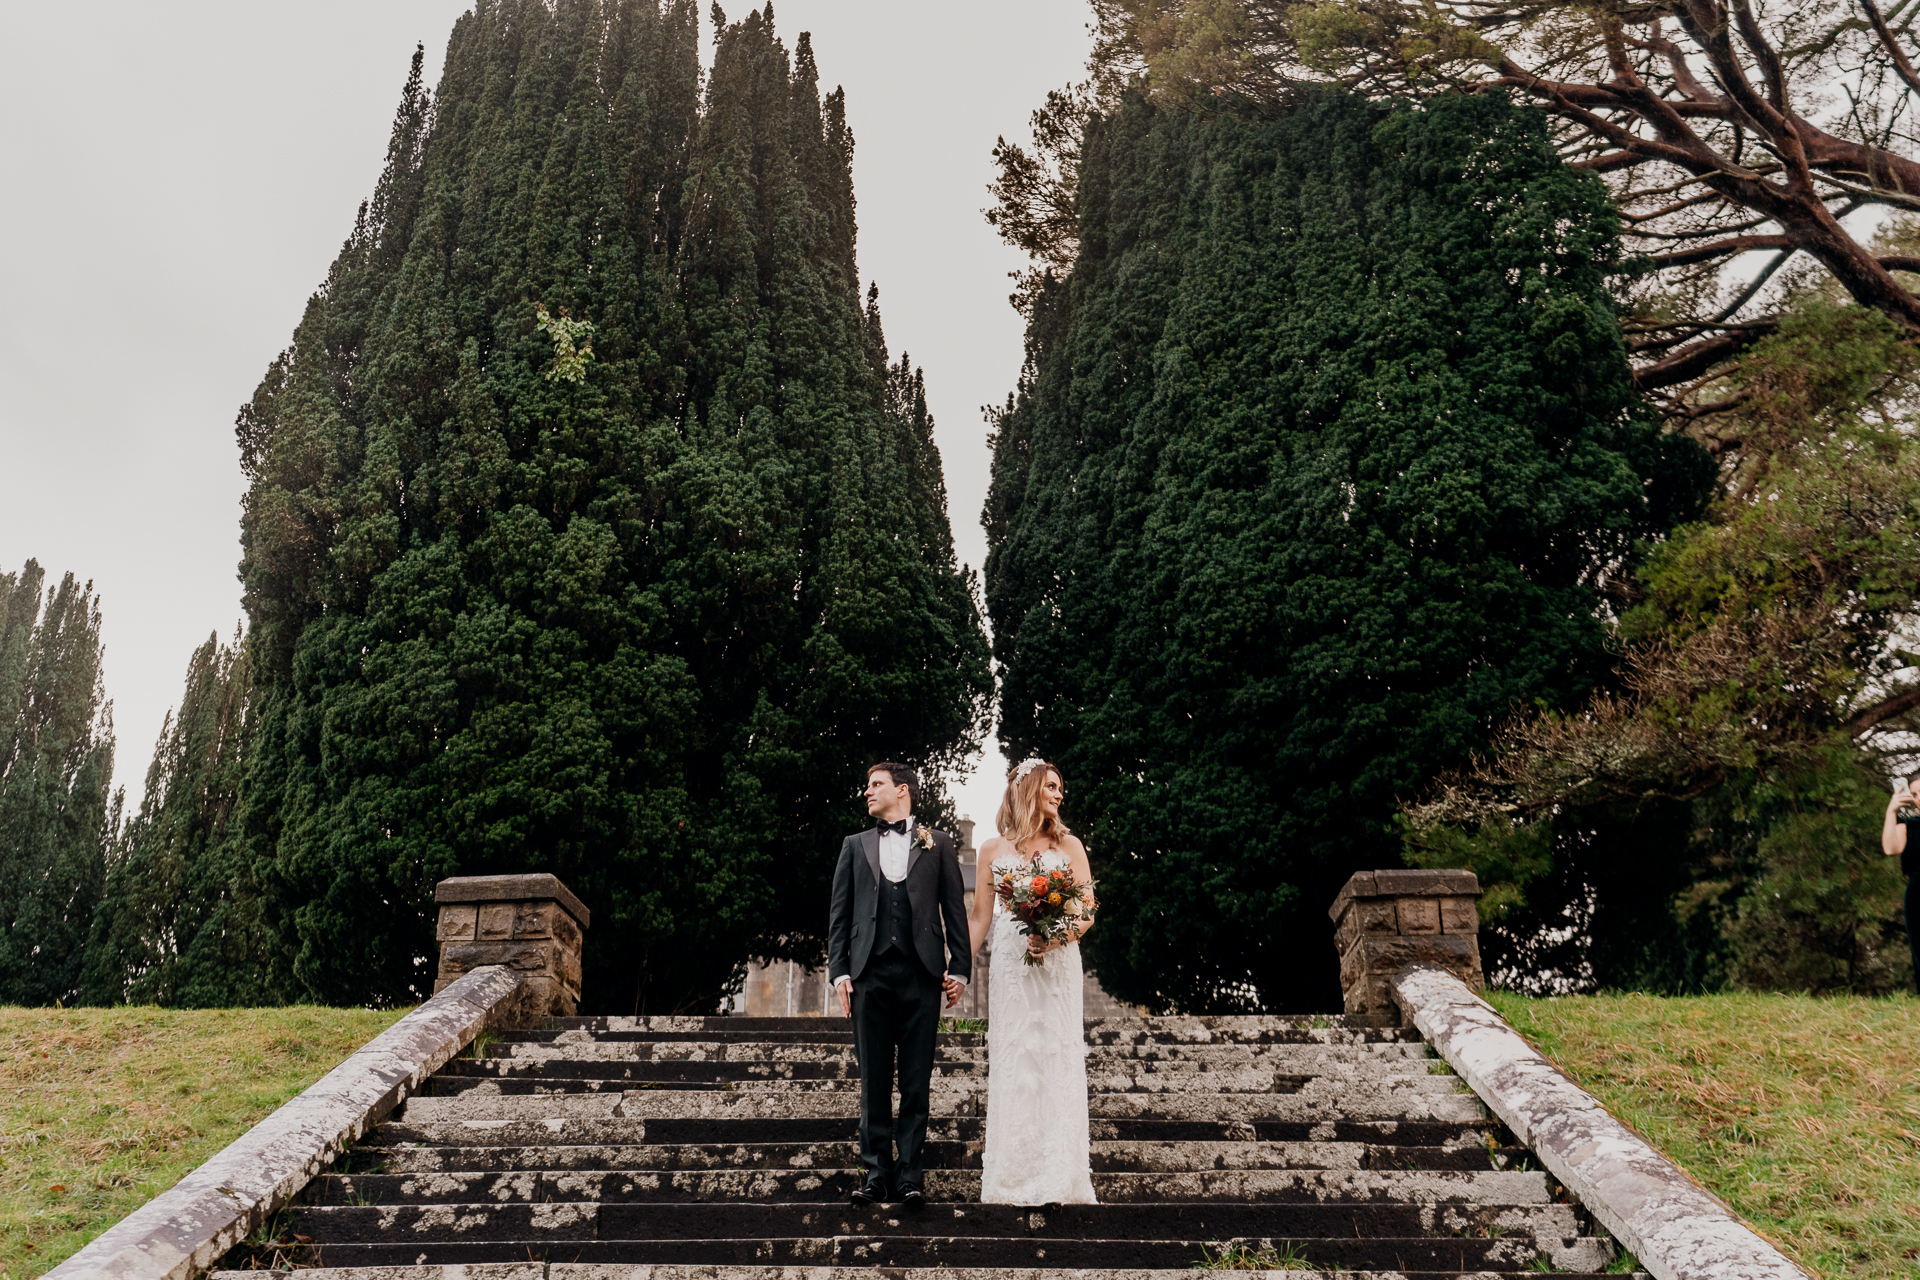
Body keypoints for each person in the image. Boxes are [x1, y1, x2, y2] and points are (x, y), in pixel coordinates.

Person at [826, 762, 970, 1209]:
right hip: (868, 973)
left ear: (901, 790)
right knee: (872, 1077)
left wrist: (960, 969)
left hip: (923, 974)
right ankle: (875, 1174)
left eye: (876, 784)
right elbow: (840, 914)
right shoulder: (854, 845)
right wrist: (839, 971)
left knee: (915, 1079)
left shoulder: (939, 844)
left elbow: (954, 910)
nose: (867, 792)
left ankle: (909, 1174)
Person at [967, 757, 1098, 1205]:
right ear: (1029, 790)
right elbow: (980, 919)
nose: (1060, 795)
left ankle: (1061, 1176)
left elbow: (1087, 910)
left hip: (1058, 965)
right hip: (1010, 964)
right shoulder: (991, 850)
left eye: (1061, 789)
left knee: (1056, 1055)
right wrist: (957, 968)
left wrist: (1056, 936)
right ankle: (1013, 1176)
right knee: (1016, 1057)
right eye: (1052, 787)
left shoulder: (1071, 846)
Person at [1880, 776, 1920, 994]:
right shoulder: (1909, 827)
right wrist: (1891, 811)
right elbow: (1890, 848)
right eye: (1914, 794)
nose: (1917, 798)